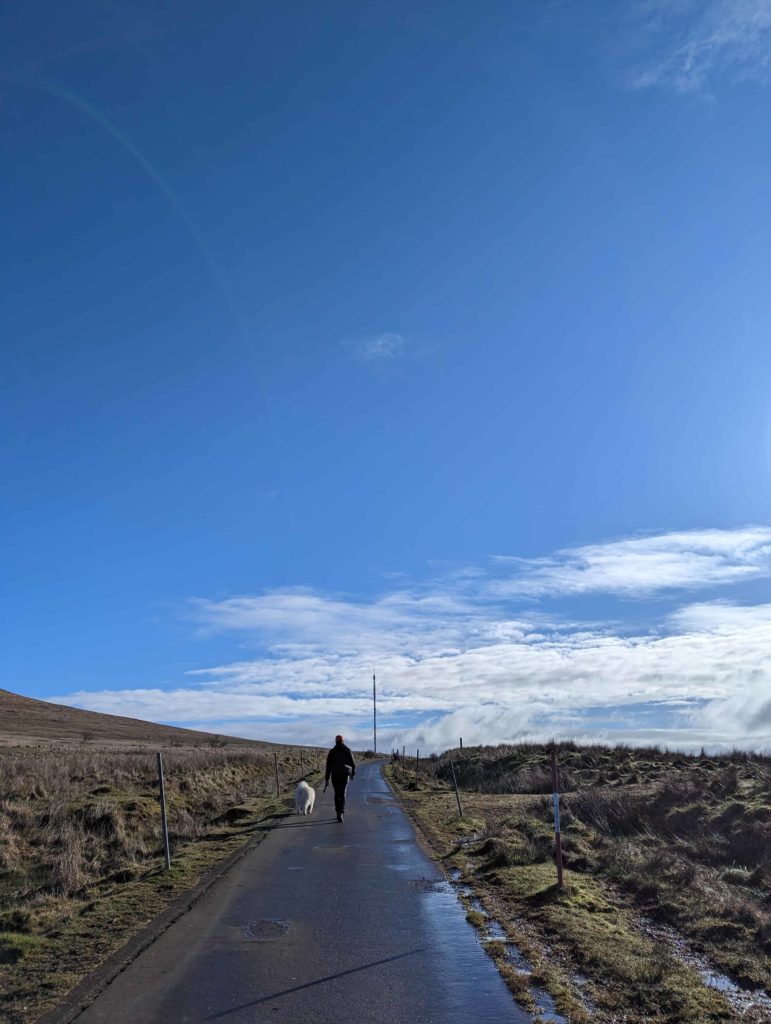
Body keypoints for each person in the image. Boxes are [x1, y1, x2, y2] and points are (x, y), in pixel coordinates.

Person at [324, 734, 356, 822]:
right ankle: (341, 812)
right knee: (342, 793)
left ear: (336, 741)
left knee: (336, 793)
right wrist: (352, 773)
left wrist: (327, 779)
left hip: (335, 776)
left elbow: (328, 767)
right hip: (344, 775)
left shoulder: (332, 752)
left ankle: (337, 811)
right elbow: (353, 764)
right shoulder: (347, 750)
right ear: (343, 741)